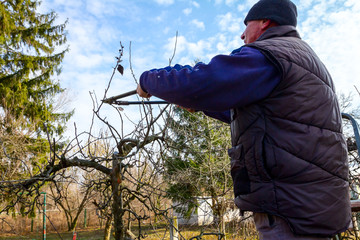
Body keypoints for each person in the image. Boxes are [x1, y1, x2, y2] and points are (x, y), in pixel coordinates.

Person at [136, 0, 351, 239]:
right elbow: (263, 116)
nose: (241, 35)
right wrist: (199, 107)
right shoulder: (304, 58)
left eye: (246, 25)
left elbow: (205, 80)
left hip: (288, 207)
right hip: (311, 204)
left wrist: (149, 80)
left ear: (264, 21)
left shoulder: (270, 54)